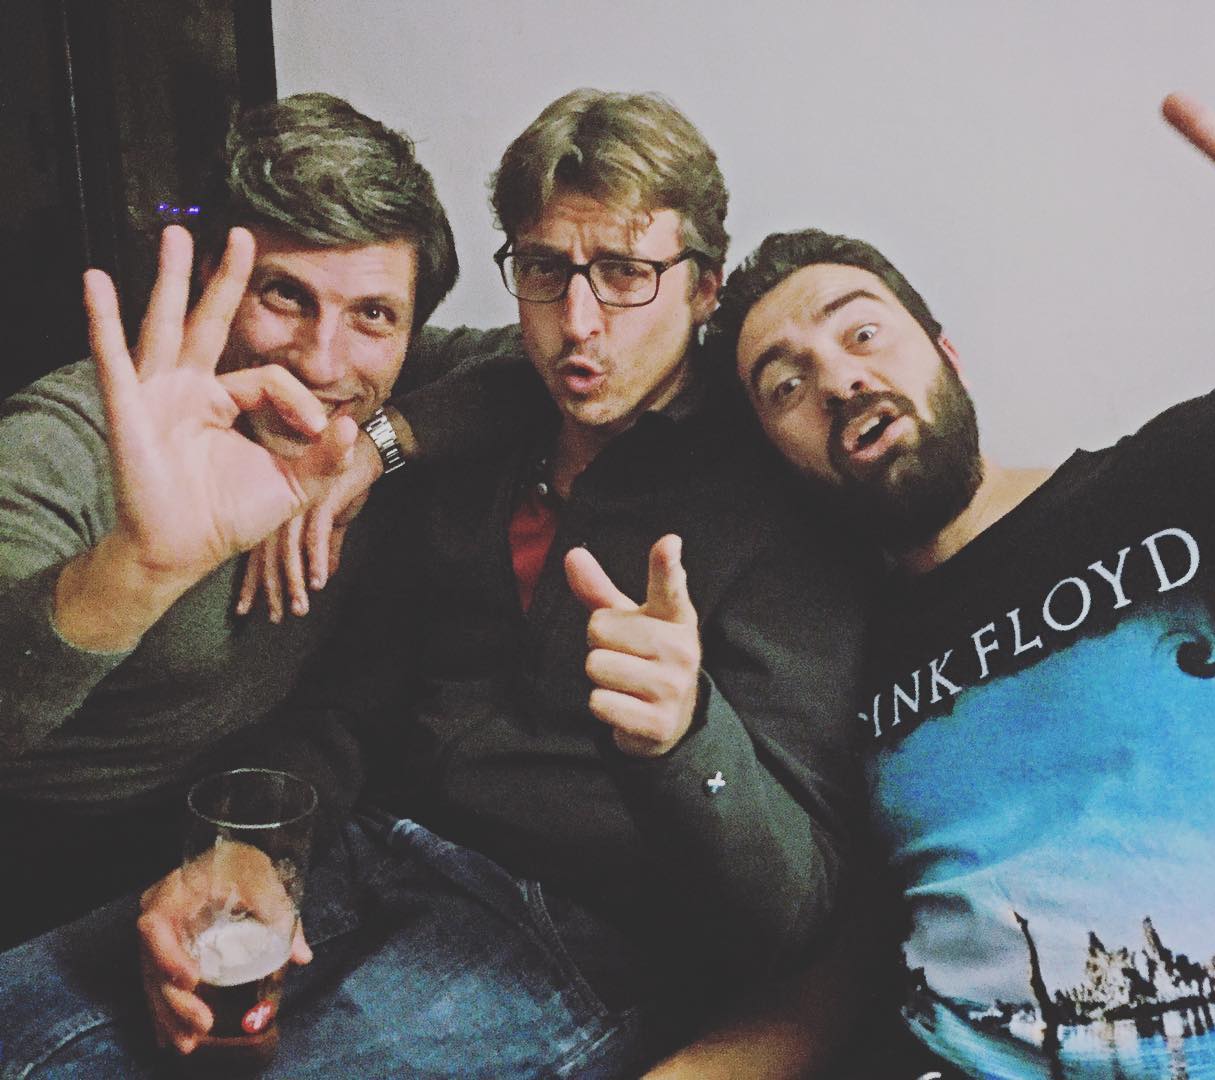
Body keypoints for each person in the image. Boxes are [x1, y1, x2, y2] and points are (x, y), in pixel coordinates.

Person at [0, 88, 868, 1078]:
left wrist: (686, 732)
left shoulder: (777, 490)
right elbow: (356, 702)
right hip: (359, 848)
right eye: (544, 270)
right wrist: (257, 847)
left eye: (627, 274)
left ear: (705, 289)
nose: (578, 325)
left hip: (570, 932)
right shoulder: (487, 427)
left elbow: (803, 912)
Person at [679, 1, 1215, 1076]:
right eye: (785, 385)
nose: (839, 378)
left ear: (946, 352)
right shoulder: (832, 663)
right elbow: (828, 988)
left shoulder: (1208, 470)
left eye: (863, 331)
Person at [0, 92, 460, 948]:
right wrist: (137, 567)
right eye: (284, 295)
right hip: (40, 861)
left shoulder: (379, 396)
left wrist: (379, 447)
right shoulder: (64, 440)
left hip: (238, 819)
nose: (322, 362)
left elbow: (541, 367)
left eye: (372, 314)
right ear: (215, 281)